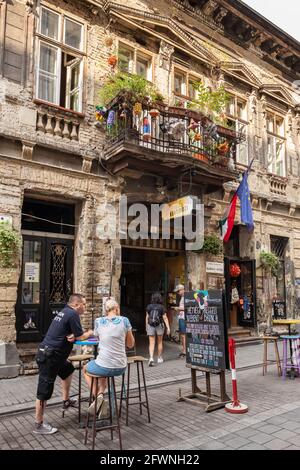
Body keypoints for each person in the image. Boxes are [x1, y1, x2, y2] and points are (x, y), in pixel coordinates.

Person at [33, 293, 93, 435]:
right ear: (77, 305)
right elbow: (80, 336)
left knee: (68, 369)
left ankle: (66, 401)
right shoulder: (72, 314)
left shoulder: (65, 311)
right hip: (50, 356)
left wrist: (72, 335)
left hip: (55, 356)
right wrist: (90, 332)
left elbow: (65, 332)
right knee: (44, 390)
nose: (85, 307)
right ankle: (38, 424)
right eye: (84, 304)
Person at [83, 299, 135, 417]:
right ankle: (101, 394)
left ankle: (98, 398)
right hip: (120, 367)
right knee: (103, 368)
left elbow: (97, 337)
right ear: (117, 309)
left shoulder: (98, 321)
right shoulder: (125, 321)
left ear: (106, 310)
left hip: (104, 365)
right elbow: (130, 344)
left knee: (86, 368)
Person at [146, 293, 170, 367]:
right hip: (159, 325)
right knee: (159, 342)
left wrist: (146, 326)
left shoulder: (149, 306)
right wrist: (168, 327)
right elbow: (165, 317)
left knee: (151, 342)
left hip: (150, 325)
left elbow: (147, 317)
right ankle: (159, 358)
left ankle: (151, 358)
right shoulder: (161, 307)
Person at [174, 284, 186, 357]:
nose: (178, 293)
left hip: (183, 317)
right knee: (182, 334)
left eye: (178, 291)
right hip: (182, 317)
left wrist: (178, 308)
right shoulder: (182, 297)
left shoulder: (185, 297)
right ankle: (184, 349)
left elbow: (187, 307)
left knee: (183, 334)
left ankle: (184, 350)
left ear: (182, 290)